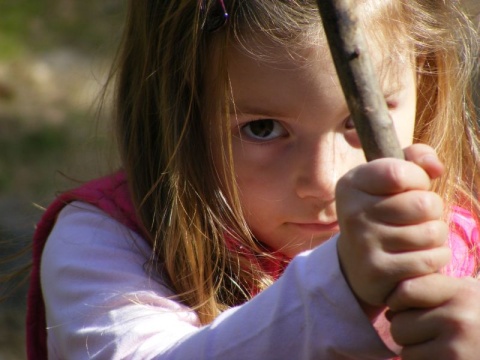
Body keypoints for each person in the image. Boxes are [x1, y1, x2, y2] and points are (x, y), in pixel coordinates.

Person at [26, 0, 480, 359]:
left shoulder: (462, 246)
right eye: (261, 128)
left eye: (359, 120)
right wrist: (341, 287)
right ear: (178, 115)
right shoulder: (105, 245)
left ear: (427, 77)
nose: (325, 183)